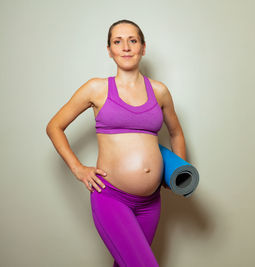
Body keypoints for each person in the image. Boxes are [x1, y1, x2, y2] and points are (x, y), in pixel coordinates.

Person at [46, 19, 186, 267]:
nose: (126, 47)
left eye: (133, 41)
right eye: (117, 42)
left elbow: (176, 133)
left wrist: (178, 171)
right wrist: (79, 169)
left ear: (143, 48)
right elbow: (54, 126)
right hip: (111, 198)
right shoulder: (96, 89)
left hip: (150, 203)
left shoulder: (160, 91)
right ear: (109, 50)